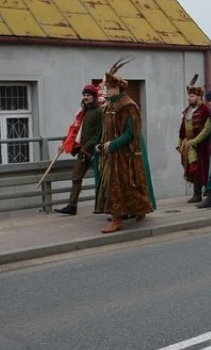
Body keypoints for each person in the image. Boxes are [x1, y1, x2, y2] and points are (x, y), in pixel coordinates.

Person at [96, 59, 155, 234]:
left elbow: (130, 133)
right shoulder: (111, 106)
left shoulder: (128, 106)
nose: (106, 90)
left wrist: (112, 145)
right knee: (121, 187)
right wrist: (102, 145)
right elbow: (108, 130)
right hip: (112, 153)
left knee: (121, 185)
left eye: (109, 87)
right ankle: (135, 210)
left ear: (117, 88)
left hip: (125, 156)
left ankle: (117, 219)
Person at [55, 84, 103, 216]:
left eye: (88, 95)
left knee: (102, 177)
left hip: (95, 151)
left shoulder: (98, 112)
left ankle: (102, 205)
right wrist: (65, 141)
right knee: (76, 177)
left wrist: (88, 146)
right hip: (84, 151)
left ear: (94, 97)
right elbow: (76, 130)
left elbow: (99, 132)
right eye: (84, 95)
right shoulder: (83, 111)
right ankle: (72, 206)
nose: (86, 98)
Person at [176, 79, 211, 203]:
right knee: (193, 168)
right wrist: (179, 143)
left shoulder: (205, 111)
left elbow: (207, 130)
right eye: (189, 96)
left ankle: (199, 194)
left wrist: (195, 141)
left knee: (198, 168)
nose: (189, 98)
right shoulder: (187, 111)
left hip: (201, 145)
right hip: (189, 144)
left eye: (192, 96)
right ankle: (204, 190)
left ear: (199, 97)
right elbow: (182, 129)